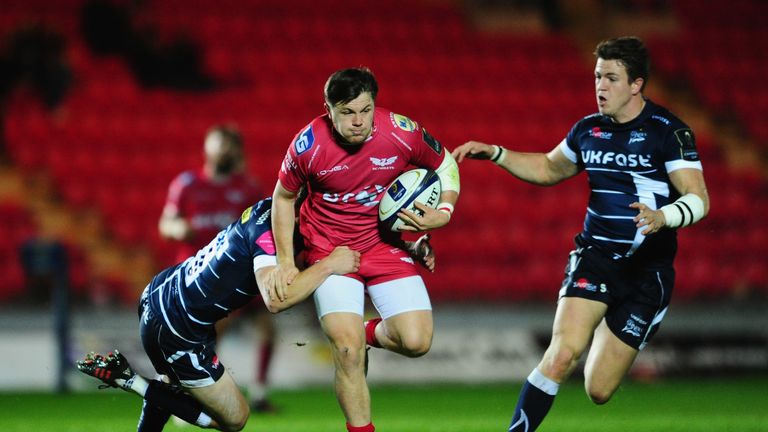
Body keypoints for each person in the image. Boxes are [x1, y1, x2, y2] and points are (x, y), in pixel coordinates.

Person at [452, 36, 710, 431]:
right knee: (561, 354)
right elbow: (549, 169)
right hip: (596, 257)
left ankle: (615, 320)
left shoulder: (668, 132)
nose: (600, 87)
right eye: (596, 76)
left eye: (611, 78)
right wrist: (497, 153)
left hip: (647, 272)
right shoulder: (588, 130)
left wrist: (664, 217)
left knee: (598, 389)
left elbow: (699, 199)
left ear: (636, 84)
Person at [271, 67, 461, 432]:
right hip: (330, 252)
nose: (358, 121)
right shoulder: (307, 145)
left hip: (383, 246)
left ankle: (367, 332)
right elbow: (283, 198)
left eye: (365, 109)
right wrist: (284, 262)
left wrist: (444, 212)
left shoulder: (401, 133)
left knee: (417, 341)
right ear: (328, 110)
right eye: (347, 112)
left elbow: (445, 163)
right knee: (346, 349)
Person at [158, 124, 276, 412]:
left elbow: (263, 226)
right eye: (219, 143)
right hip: (198, 277)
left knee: (267, 329)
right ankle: (197, 393)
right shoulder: (186, 184)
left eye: (229, 144)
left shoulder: (248, 188)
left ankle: (258, 394)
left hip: (240, 275)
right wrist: (177, 228)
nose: (224, 149)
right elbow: (166, 223)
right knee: (211, 336)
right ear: (206, 148)